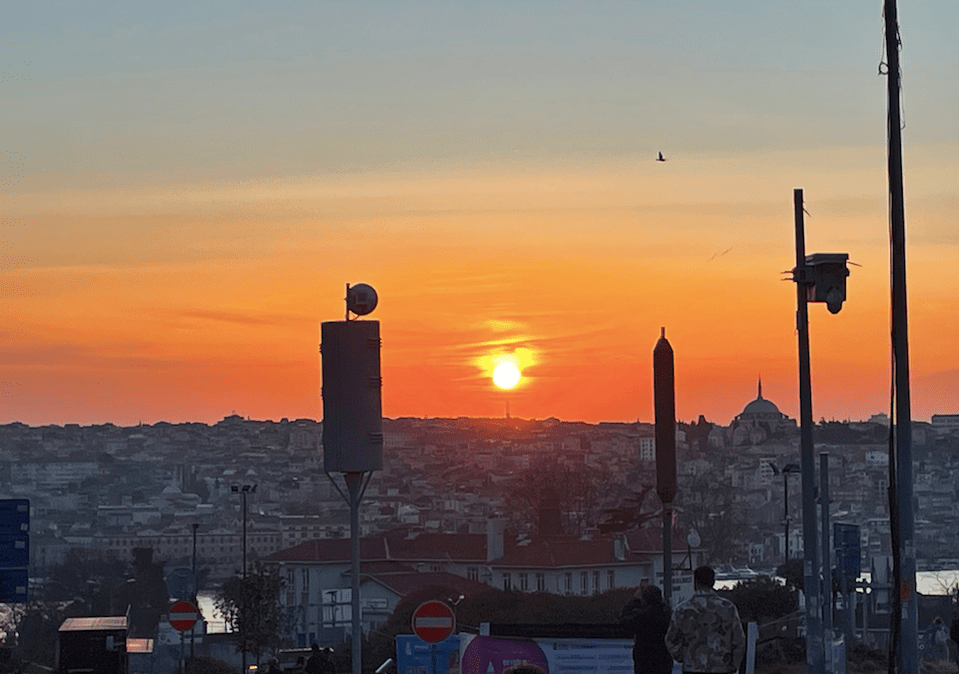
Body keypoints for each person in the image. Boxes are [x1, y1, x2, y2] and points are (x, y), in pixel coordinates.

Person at [665, 566, 745, 674]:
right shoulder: (728, 608)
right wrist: (733, 664)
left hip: (692, 668)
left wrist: (683, 657)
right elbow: (739, 640)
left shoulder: (682, 610)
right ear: (713, 582)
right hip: (721, 668)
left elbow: (671, 640)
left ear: (696, 582)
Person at [621, 583, 673, 674]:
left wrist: (634, 600)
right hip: (663, 659)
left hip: (643, 659)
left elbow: (624, 622)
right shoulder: (666, 615)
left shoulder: (641, 616)